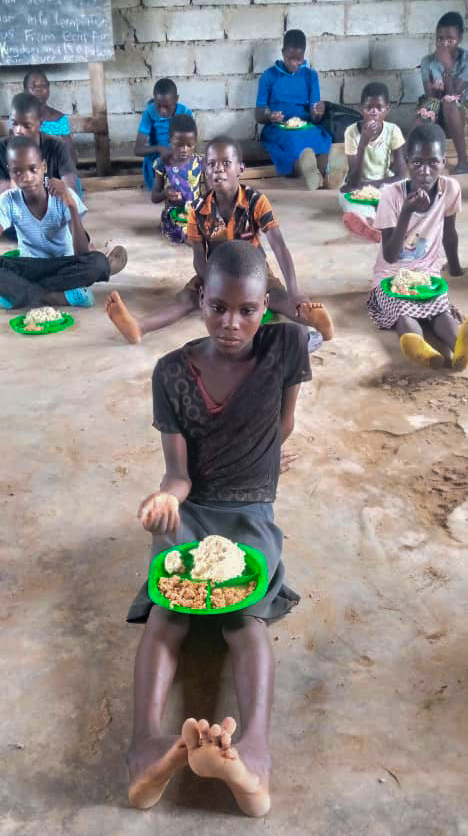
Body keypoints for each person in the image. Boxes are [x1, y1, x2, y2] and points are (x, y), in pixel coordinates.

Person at [125, 240, 311, 817]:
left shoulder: (287, 348)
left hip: (251, 508)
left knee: (245, 610)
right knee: (168, 606)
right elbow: (178, 474)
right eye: (217, 306)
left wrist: (256, 475)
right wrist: (165, 500)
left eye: (247, 309)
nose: (231, 323)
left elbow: (282, 427)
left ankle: (254, 750)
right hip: (196, 508)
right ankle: (146, 747)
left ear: (266, 306)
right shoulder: (172, 372)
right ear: (198, 299)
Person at [105, 135, 333, 344]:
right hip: (215, 273)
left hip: (254, 271)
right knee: (188, 298)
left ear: (240, 168)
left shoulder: (256, 201)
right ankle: (139, 327)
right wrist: (212, 285)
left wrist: (294, 289)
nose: (218, 170)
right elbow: (198, 256)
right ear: (206, 171)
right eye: (212, 164)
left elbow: (279, 246)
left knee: (278, 298)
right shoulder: (197, 209)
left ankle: (314, 319)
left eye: (226, 163)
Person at [367, 123, 468, 371]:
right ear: (407, 161)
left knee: (440, 309)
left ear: (444, 161)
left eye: (433, 162)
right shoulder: (392, 195)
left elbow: (449, 233)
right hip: (390, 276)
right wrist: (406, 213)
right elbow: (389, 255)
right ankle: (421, 349)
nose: (424, 171)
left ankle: (460, 346)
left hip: (427, 273)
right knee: (403, 311)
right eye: (417, 163)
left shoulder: (450, 189)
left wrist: (455, 268)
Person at [0, 136, 127, 310]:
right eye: (17, 171)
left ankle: (19, 295)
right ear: (10, 172)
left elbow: (82, 254)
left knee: (98, 263)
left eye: (32, 169)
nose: (27, 178)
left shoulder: (60, 193)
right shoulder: (8, 200)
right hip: (30, 265)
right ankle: (59, 297)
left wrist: (71, 205)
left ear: (43, 167)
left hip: (65, 264)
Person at [255, 29, 332, 189]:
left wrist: (318, 111)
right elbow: (259, 113)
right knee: (291, 143)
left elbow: (315, 115)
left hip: (305, 124)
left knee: (322, 139)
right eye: (290, 59)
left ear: (304, 55)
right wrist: (270, 116)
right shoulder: (269, 76)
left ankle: (326, 175)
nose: (294, 63)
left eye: (298, 59)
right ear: (283, 53)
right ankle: (309, 173)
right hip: (278, 127)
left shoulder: (310, 76)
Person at [339, 82, 406, 243]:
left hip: (383, 182)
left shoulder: (393, 130)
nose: (374, 112)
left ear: (387, 109)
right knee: (344, 195)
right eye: (369, 107)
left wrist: (375, 185)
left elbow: (401, 174)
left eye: (379, 107)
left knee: (404, 189)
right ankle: (368, 224)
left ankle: (381, 219)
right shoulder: (351, 132)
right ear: (362, 108)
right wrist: (362, 144)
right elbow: (354, 179)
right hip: (359, 184)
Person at [418, 11, 468, 173]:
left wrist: (447, 69)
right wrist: (435, 91)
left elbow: (456, 93)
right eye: (440, 39)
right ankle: (408, 158)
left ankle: (463, 160)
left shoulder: (466, 60)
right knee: (425, 112)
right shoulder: (427, 61)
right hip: (436, 102)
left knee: (449, 102)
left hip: (460, 105)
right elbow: (430, 97)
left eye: (450, 39)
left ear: (460, 38)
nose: (444, 44)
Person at [0, 93, 78, 195]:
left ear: (40, 123)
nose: (19, 130)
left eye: (27, 125)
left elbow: (71, 189)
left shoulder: (57, 146)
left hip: (49, 206)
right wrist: (13, 185)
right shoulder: (1, 148)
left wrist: (63, 188)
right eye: (15, 124)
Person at [151, 114, 204, 245]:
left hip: (195, 210)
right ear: (170, 140)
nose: (184, 149)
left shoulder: (200, 162)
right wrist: (166, 193)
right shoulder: (162, 163)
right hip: (176, 211)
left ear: (196, 141)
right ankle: (191, 239)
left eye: (189, 145)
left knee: (215, 222)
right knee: (183, 224)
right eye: (178, 145)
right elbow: (154, 197)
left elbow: (209, 193)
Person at [134, 78, 193, 190]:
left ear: (176, 99)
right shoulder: (149, 114)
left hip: (180, 156)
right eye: (158, 105)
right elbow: (138, 149)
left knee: (188, 169)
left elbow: (191, 145)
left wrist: (175, 152)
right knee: (159, 167)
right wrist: (160, 149)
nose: (162, 111)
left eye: (167, 106)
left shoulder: (185, 114)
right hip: (157, 158)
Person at [23, 69, 78, 165]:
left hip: (54, 169)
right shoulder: (19, 118)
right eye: (33, 86)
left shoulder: (59, 119)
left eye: (43, 85)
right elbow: (13, 148)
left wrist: (67, 173)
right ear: (25, 90)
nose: (39, 89)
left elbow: (70, 152)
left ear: (48, 88)